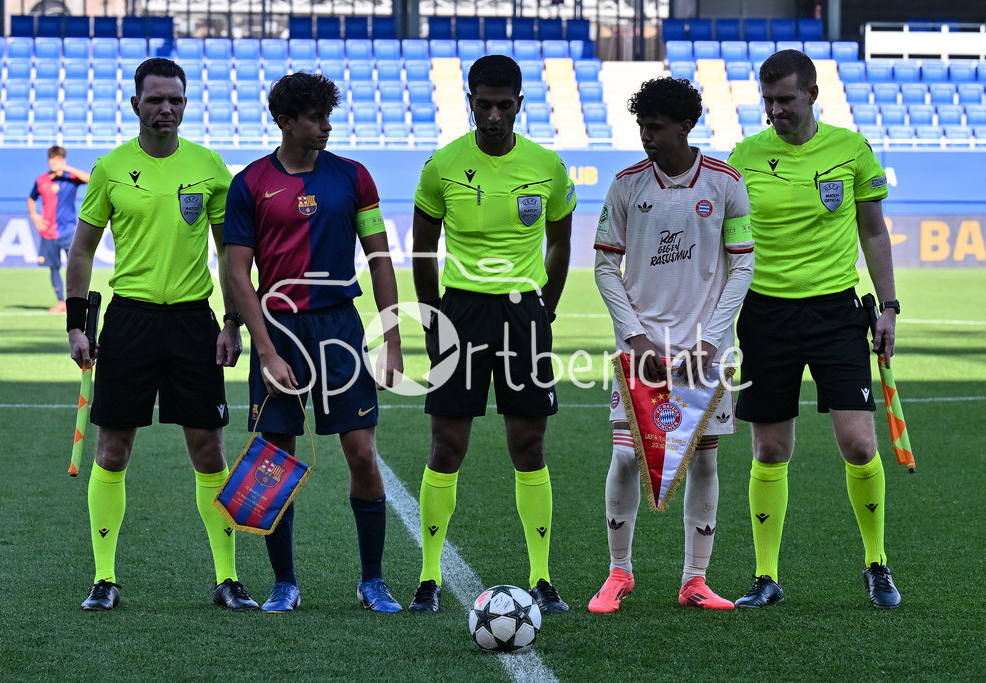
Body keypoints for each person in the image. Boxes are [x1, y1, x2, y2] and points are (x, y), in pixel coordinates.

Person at [66, 58, 257, 612]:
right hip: (129, 322)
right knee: (113, 448)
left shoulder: (209, 167)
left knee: (208, 449)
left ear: (185, 103)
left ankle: (227, 579)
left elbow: (232, 254)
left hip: (194, 323)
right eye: (155, 100)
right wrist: (76, 325)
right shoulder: (109, 168)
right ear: (135, 105)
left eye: (175, 99)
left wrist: (231, 322)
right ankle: (105, 579)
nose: (166, 108)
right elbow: (81, 250)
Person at [224, 71, 405, 614]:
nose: (326, 126)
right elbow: (237, 272)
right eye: (314, 117)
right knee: (275, 460)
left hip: (339, 329)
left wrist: (392, 340)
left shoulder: (354, 176)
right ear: (285, 121)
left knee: (361, 452)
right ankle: (285, 583)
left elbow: (379, 259)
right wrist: (266, 350)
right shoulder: (250, 183)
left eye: (328, 116)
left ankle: (372, 580)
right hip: (278, 328)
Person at [726, 49, 901, 609]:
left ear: (812, 94)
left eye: (786, 99)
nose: (776, 110)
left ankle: (876, 564)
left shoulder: (851, 150)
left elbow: (873, 232)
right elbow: (725, 241)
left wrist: (890, 307)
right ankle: (766, 576)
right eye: (768, 100)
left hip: (835, 314)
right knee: (771, 448)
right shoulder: (744, 156)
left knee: (858, 442)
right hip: (765, 315)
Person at [408, 54, 576, 615]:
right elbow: (422, 249)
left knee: (528, 445)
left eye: (505, 105)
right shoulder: (443, 165)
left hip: (523, 314)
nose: (495, 115)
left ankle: (543, 577)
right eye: (485, 104)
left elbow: (560, 243)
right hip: (460, 313)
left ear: (520, 103)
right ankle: (429, 578)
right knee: (447, 445)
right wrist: (433, 316)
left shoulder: (547, 165)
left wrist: (543, 310)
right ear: (471, 103)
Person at [590, 77, 754, 613]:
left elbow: (743, 264)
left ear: (686, 125)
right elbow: (604, 266)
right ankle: (619, 572)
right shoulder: (625, 185)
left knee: (704, 464)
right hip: (640, 351)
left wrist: (712, 340)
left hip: (703, 354)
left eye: (655, 127)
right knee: (625, 458)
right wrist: (633, 335)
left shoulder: (727, 184)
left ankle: (695, 579)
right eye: (642, 126)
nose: (646, 137)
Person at [28, 146, 90, 314]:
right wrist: (35, 215)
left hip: (69, 231)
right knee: (54, 268)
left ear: (63, 160)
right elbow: (31, 198)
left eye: (58, 159)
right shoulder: (41, 180)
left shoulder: (71, 178)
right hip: (48, 233)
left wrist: (67, 168)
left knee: (76, 266)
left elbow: (90, 179)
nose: (54, 163)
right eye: (52, 159)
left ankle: (80, 303)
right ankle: (61, 302)